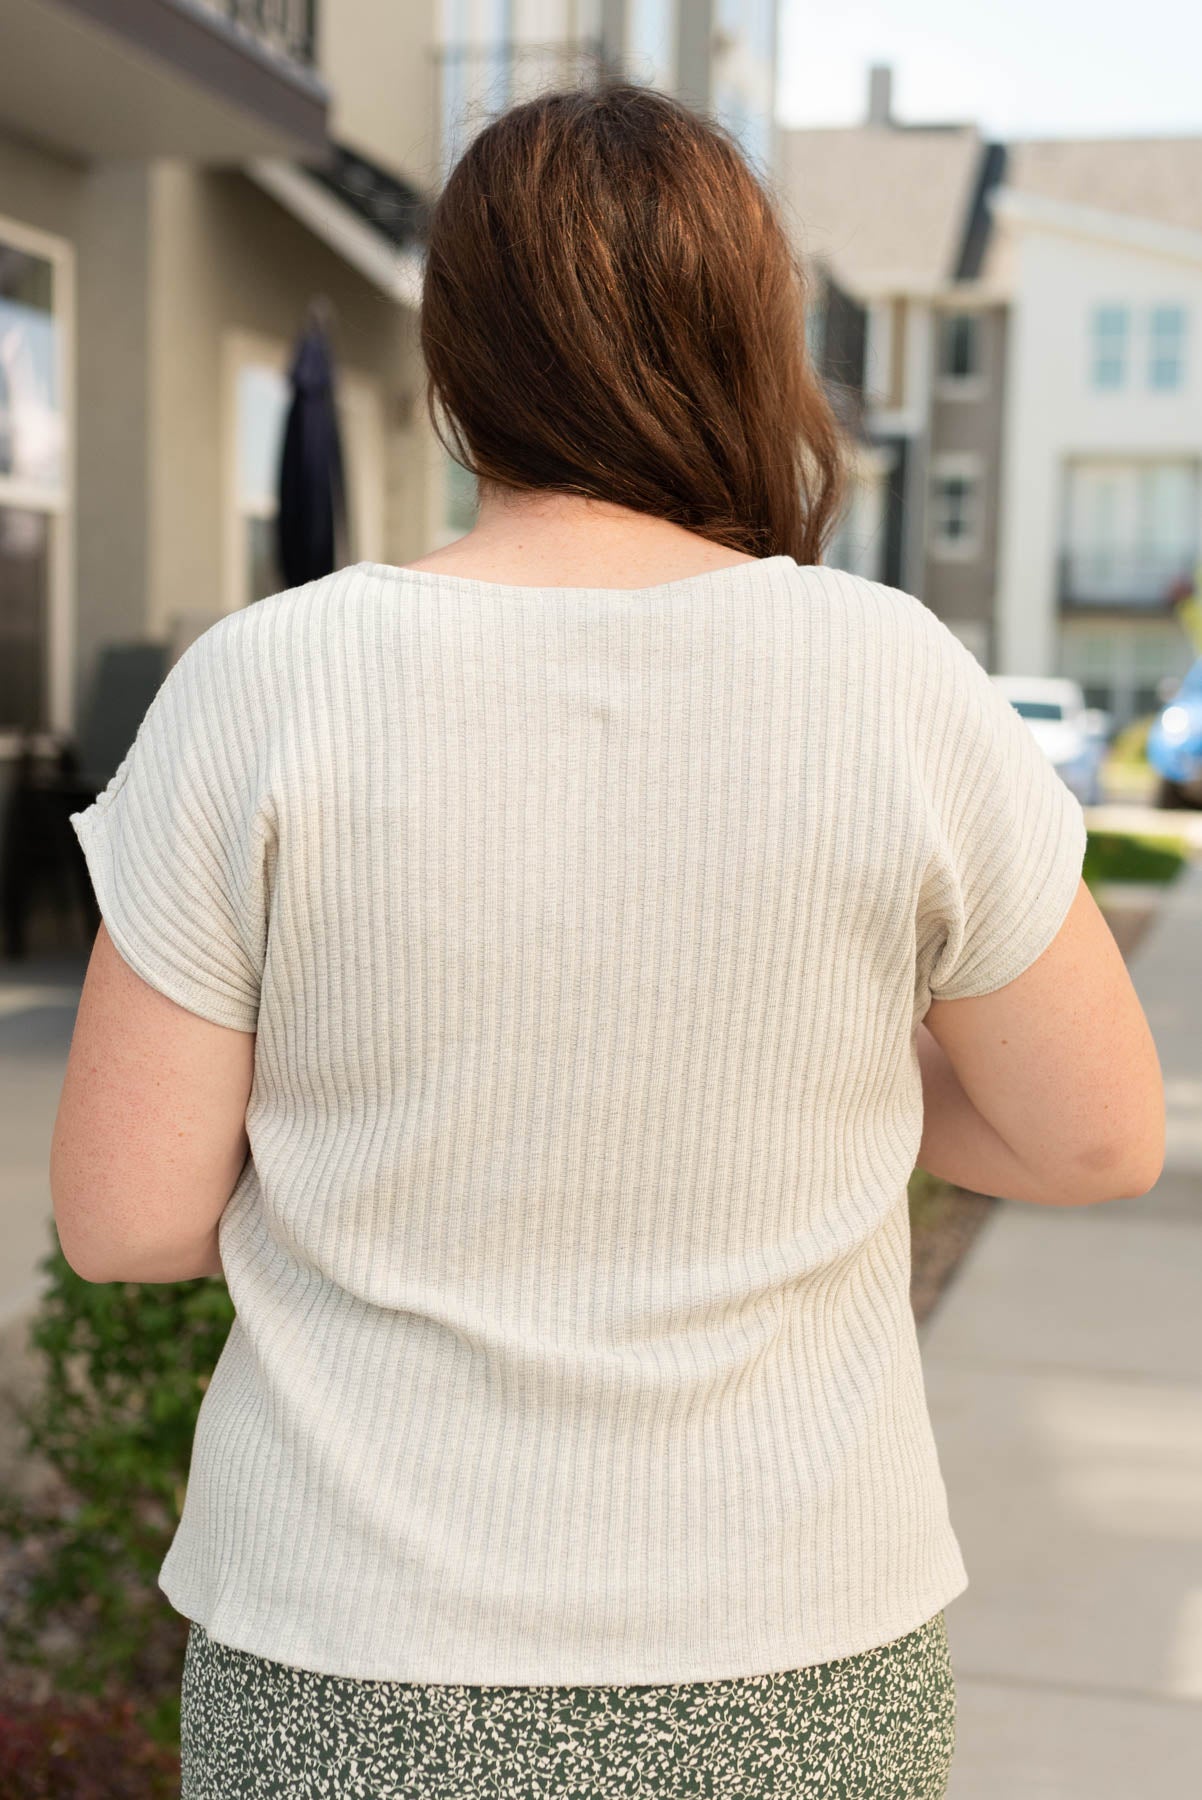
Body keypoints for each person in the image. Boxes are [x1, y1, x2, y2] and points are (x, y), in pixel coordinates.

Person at [51, 82, 1163, 1798]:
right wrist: (836, 1071)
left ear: (458, 357)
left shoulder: (268, 684)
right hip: (793, 1653)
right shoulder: (891, 682)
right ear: (752, 341)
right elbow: (1090, 1135)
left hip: (356, 1658)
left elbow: (128, 1221)